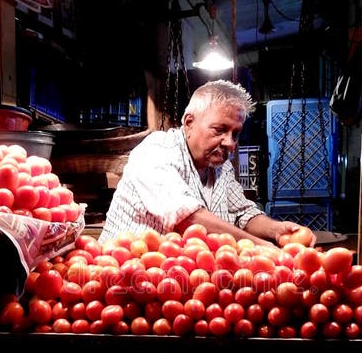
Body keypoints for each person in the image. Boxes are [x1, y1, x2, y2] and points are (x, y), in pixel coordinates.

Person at [99, 79, 305, 247]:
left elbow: (242, 213)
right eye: (219, 129)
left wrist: (276, 229)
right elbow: (188, 219)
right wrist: (261, 247)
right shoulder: (156, 151)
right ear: (189, 123)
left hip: (180, 281)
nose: (230, 143)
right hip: (122, 277)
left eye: (236, 134)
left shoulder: (220, 168)